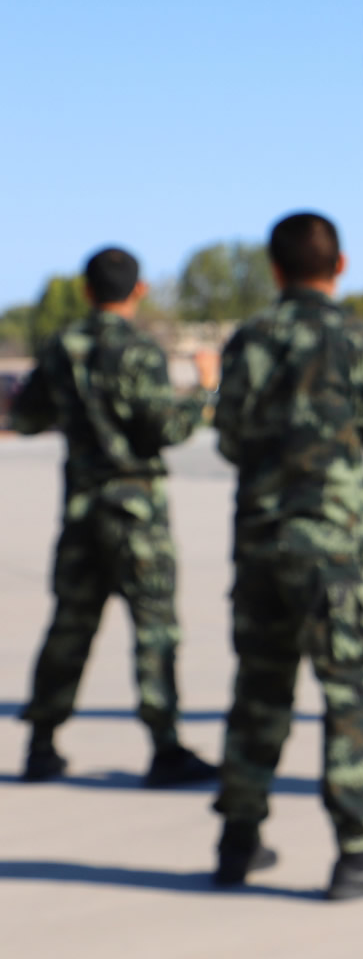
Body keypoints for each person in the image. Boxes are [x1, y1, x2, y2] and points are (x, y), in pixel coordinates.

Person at [208, 211, 363, 899]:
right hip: (333, 547)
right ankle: (358, 851)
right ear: (339, 267)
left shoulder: (249, 339)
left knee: (259, 691)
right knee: (353, 692)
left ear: (274, 270)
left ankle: (237, 842)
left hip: (262, 542)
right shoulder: (351, 340)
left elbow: (227, 438)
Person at [12, 246, 222, 786]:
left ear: (86, 290)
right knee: (154, 630)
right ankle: (165, 746)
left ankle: (41, 742)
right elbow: (166, 429)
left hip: (82, 507)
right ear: (139, 290)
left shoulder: (63, 348)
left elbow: (27, 417)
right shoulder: (140, 350)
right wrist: (203, 388)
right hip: (136, 511)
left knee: (70, 627)